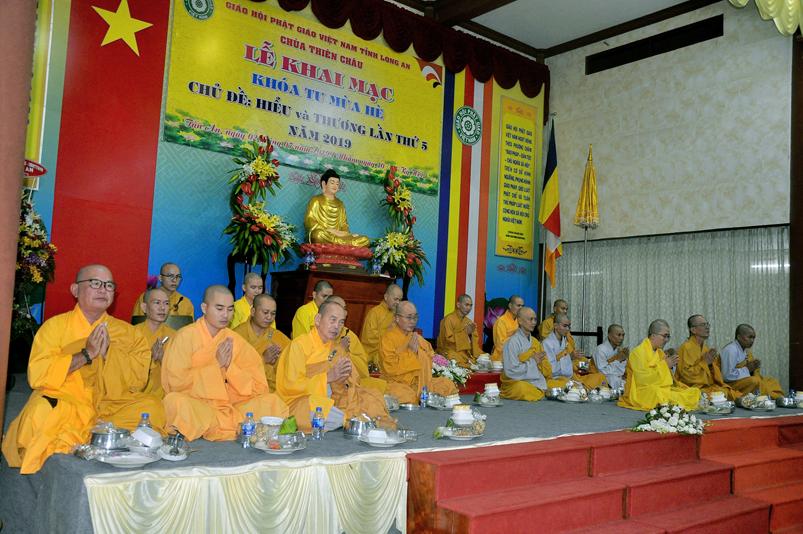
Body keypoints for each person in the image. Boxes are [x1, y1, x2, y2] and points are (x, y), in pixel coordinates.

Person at [2, 265, 165, 474]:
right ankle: (102, 436)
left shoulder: (128, 333)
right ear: (75, 290)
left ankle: (92, 435)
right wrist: (87, 354)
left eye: (108, 285)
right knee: (39, 412)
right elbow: (38, 375)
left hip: (111, 403)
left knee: (153, 408)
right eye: (95, 283)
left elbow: (137, 382)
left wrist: (108, 355)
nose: (103, 290)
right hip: (68, 399)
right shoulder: (55, 327)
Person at [161, 285, 288, 441]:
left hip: (232, 405)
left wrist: (230, 368)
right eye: (220, 309)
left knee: (271, 401)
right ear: (204, 308)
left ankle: (218, 425)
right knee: (174, 402)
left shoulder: (235, 340)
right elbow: (176, 383)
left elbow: (258, 387)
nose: (225, 315)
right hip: (198, 405)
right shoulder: (185, 337)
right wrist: (216, 365)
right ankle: (238, 426)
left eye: (230, 309)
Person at [275, 300, 389, 433]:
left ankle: (352, 420)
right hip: (300, 400)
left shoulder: (337, 349)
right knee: (320, 409)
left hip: (333, 398)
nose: (337, 326)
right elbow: (291, 385)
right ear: (318, 319)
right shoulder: (299, 345)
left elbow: (353, 381)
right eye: (333, 320)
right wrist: (327, 378)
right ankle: (352, 421)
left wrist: (342, 381)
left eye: (341, 322)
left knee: (371, 397)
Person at [378, 301, 458, 404]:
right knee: (407, 396)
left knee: (447, 385)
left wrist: (420, 357)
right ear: (397, 318)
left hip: (420, 382)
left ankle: (422, 396)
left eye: (415, 317)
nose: (412, 321)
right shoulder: (388, 339)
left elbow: (429, 355)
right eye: (409, 317)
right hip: (397, 383)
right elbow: (389, 367)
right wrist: (410, 352)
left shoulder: (416, 338)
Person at [618, 319, 701, 411]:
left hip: (659, 387)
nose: (666, 340)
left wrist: (667, 366)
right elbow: (643, 380)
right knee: (658, 393)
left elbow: (668, 379)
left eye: (668, 336)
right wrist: (665, 365)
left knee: (693, 391)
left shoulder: (659, 352)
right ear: (653, 335)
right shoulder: (638, 352)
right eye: (664, 336)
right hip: (641, 391)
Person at [326, 296, 388, 393]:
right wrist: (339, 352)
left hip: (353, 382)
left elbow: (364, 371)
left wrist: (345, 353)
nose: (343, 312)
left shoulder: (349, 335)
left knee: (383, 388)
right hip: (330, 385)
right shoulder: (316, 335)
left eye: (345, 309)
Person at [233, 294, 290, 393]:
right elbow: (233, 370)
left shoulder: (277, 336)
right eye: (265, 312)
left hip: (275, 392)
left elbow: (292, 362)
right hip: (245, 392)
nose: (269, 317)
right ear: (253, 312)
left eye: (273, 313)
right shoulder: (238, 335)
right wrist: (263, 359)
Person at [675, 315, 741, 401]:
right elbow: (686, 375)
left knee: (726, 392)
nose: (707, 327)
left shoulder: (706, 348)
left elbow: (714, 375)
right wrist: (705, 363)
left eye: (707, 324)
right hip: (691, 388)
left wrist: (711, 364)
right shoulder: (685, 348)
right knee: (716, 396)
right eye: (703, 325)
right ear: (693, 330)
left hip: (707, 386)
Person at [303, 169, 370, 247]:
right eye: (332, 183)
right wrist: (329, 230)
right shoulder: (316, 200)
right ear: (324, 184)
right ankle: (343, 245)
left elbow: (344, 225)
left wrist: (345, 234)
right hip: (325, 234)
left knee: (365, 240)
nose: (335, 186)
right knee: (317, 235)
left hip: (338, 237)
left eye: (337, 184)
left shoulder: (340, 204)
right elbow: (309, 220)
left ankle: (339, 243)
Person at [542, 314, 608, 389]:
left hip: (572, 374)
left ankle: (586, 388)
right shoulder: (547, 344)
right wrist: (570, 357)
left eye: (568, 326)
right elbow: (550, 369)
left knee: (600, 377)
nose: (567, 329)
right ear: (555, 326)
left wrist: (584, 365)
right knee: (573, 386)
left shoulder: (566, 342)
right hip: (556, 377)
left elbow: (576, 362)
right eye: (564, 326)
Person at [719, 324, 783, 399]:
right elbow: (727, 376)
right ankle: (769, 398)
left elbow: (750, 371)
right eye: (749, 337)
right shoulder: (731, 350)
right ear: (739, 337)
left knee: (772, 381)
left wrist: (753, 369)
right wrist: (747, 369)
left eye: (753, 338)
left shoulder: (746, 351)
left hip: (741, 380)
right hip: (729, 384)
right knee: (754, 381)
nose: (752, 341)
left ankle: (773, 397)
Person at [499, 307, 548, 401]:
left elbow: (544, 364)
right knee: (521, 388)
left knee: (554, 384)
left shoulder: (534, 342)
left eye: (535, 319)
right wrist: (533, 362)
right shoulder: (512, 342)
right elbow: (511, 370)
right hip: (513, 381)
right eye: (530, 319)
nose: (534, 323)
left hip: (533, 378)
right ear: (520, 321)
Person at [135, 287, 175, 400]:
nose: (162, 308)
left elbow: (181, 373)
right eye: (157, 303)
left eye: (166, 303)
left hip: (165, 394)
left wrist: (164, 360)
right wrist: (150, 359)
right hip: (137, 393)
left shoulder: (176, 336)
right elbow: (124, 371)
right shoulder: (132, 334)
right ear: (144, 307)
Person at [436, 294, 481, 368]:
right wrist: (465, 333)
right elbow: (447, 342)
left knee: (482, 358)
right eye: (466, 305)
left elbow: (474, 344)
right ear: (458, 305)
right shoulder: (448, 320)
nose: (469, 308)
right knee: (452, 357)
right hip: (449, 351)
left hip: (464, 353)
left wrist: (470, 335)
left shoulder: (469, 322)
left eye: (470, 305)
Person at [361, 284, 402, 363]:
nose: (397, 302)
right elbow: (369, 337)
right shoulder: (375, 312)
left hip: (390, 351)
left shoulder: (396, 314)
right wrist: (388, 330)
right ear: (386, 297)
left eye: (400, 300)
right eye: (395, 299)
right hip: (372, 353)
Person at [591, 324, 629, 390]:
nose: (621, 338)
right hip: (599, 380)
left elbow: (622, 371)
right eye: (619, 335)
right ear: (610, 336)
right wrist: (618, 360)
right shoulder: (600, 350)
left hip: (616, 379)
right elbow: (603, 372)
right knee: (613, 380)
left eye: (623, 335)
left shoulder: (619, 351)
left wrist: (622, 360)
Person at [491, 295, 524, 362]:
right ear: (510, 306)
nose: (521, 309)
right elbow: (500, 345)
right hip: (501, 359)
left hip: (517, 358)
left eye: (522, 306)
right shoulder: (501, 321)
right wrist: (516, 335)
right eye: (518, 305)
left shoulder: (521, 321)